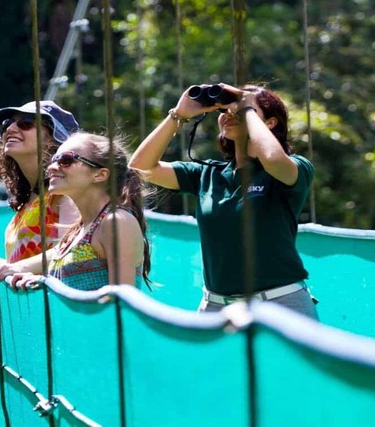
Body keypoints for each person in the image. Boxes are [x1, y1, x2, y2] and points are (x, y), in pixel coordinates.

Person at [128, 83, 317, 318]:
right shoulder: (207, 174)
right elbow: (139, 168)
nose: (230, 114)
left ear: (270, 122)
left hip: (281, 305)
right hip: (217, 307)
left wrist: (245, 108)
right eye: (225, 110)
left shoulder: (294, 167)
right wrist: (178, 115)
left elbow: (272, 158)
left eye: (241, 110)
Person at [10, 132, 151, 290]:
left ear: (100, 174)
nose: (50, 168)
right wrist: (36, 280)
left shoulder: (116, 221)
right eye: (52, 160)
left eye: (66, 160)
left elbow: (122, 303)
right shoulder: (76, 232)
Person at [0, 100, 80, 282]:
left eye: (25, 123)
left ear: (53, 139)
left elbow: (70, 251)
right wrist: (7, 264)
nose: (10, 129)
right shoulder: (30, 199)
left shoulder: (67, 192)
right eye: (7, 123)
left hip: (58, 307)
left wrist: (15, 266)